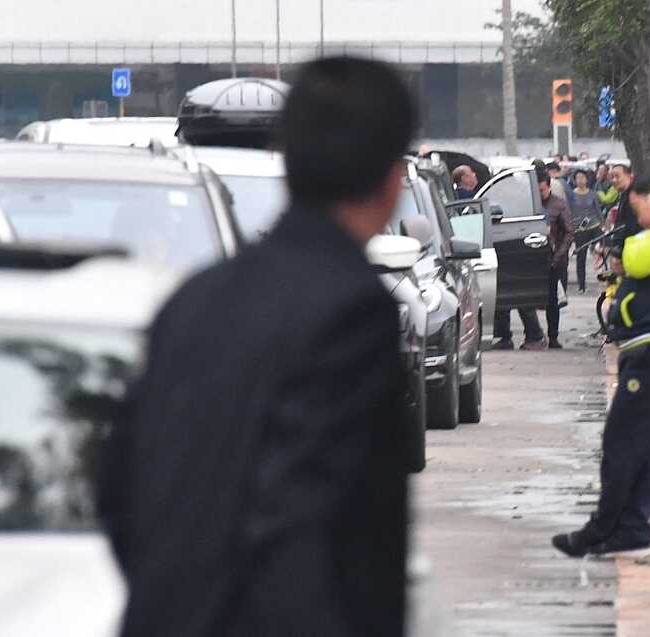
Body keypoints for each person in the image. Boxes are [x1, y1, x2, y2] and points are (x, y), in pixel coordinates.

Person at [97, 57, 415, 636]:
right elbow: (317, 522)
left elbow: (118, 476)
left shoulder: (195, 297)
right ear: (393, 179)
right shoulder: (351, 308)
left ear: (286, 160)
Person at [552, 174, 650, 558]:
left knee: (621, 441)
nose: (639, 218)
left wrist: (631, 250)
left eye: (638, 206)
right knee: (641, 443)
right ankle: (631, 530)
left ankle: (602, 527)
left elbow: (634, 259)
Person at [538, 171, 574, 348]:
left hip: (554, 259)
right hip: (535, 257)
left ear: (548, 187)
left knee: (553, 300)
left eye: (542, 190)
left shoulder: (558, 205)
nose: (540, 193)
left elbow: (569, 232)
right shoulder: (533, 204)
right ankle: (534, 334)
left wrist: (558, 255)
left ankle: (553, 335)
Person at [568, 169, 602, 293]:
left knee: (601, 250)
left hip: (594, 226)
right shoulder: (571, 194)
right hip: (579, 230)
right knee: (581, 257)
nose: (580, 180)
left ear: (587, 179)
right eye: (578, 178)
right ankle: (581, 285)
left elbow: (597, 210)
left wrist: (603, 225)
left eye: (583, 177)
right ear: (575, 180)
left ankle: (603, 278)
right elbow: (569, 212)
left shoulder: (592, 194)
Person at [606, 163, 641, 248]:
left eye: (617, 176)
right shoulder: (622, 194)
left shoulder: (635, 196)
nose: (614, 180)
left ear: (629, 175)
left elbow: (630, 226)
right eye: (612, 177)